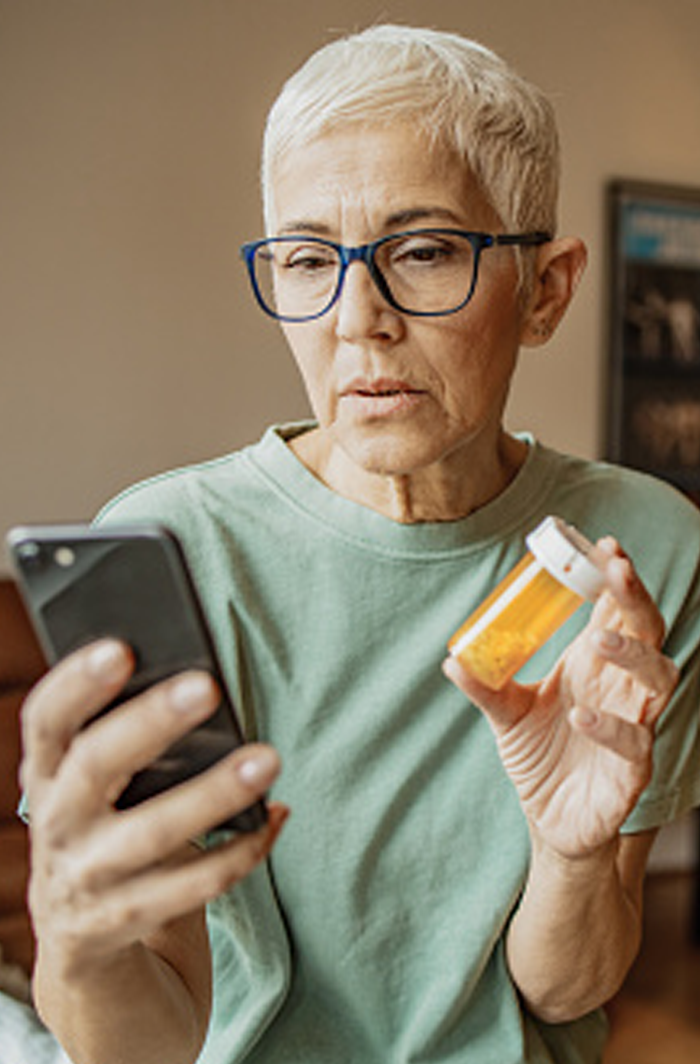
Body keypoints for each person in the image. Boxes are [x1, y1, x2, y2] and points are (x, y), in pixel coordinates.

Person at [20, 24, 700, 1064]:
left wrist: (573, 855)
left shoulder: (641, 547)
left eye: (422, 251)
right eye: (305, 259)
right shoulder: (172, 547)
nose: (357, 318)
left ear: (548, 289)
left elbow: (567, 987)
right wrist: (73, 942)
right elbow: (149, 1041)